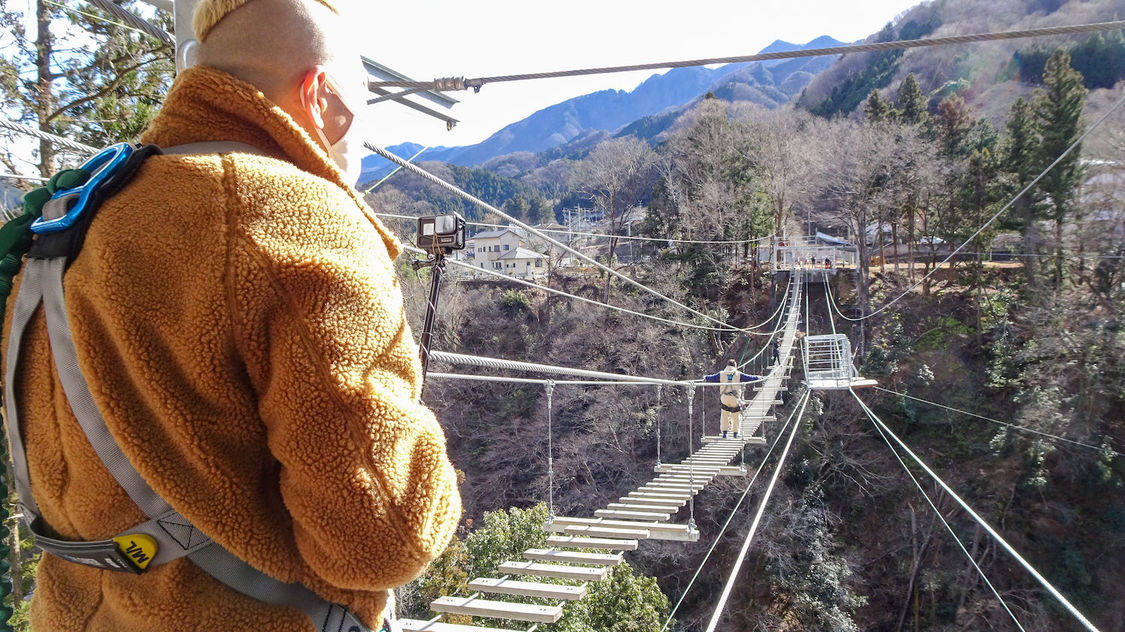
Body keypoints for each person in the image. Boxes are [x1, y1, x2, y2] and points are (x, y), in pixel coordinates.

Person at [2, 0, 461, 630]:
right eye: (361, 111)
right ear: (320, 94)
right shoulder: (293, 214)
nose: (359, 137)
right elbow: (382, 537)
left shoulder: (76, 215)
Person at [703, 360, 762, 439]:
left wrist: (705, 377)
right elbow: (749, 378)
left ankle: (724, 434)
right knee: (736, 415)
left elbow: (711, 378)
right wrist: (758, 377)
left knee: (725, 414)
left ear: (727, 366)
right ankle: (735, 433)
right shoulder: (738, 374)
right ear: (735, 366)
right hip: (735, 398)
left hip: (724, 398)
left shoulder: (721, 374)